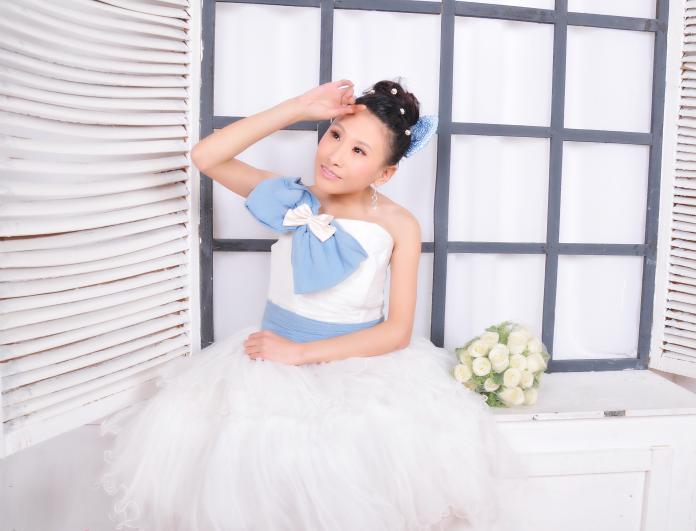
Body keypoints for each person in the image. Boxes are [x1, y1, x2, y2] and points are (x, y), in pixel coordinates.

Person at [96, 78, 526, 531]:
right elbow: (206, 156)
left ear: (384, 173)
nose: (335, 156)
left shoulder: (400, 224)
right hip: (269, 360)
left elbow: (397, 331)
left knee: (342, 472)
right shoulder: (294, 197)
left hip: (358, 366)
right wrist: (299, 107)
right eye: (335, 135)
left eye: (358, 151)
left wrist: (300, 354)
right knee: (253, 470)